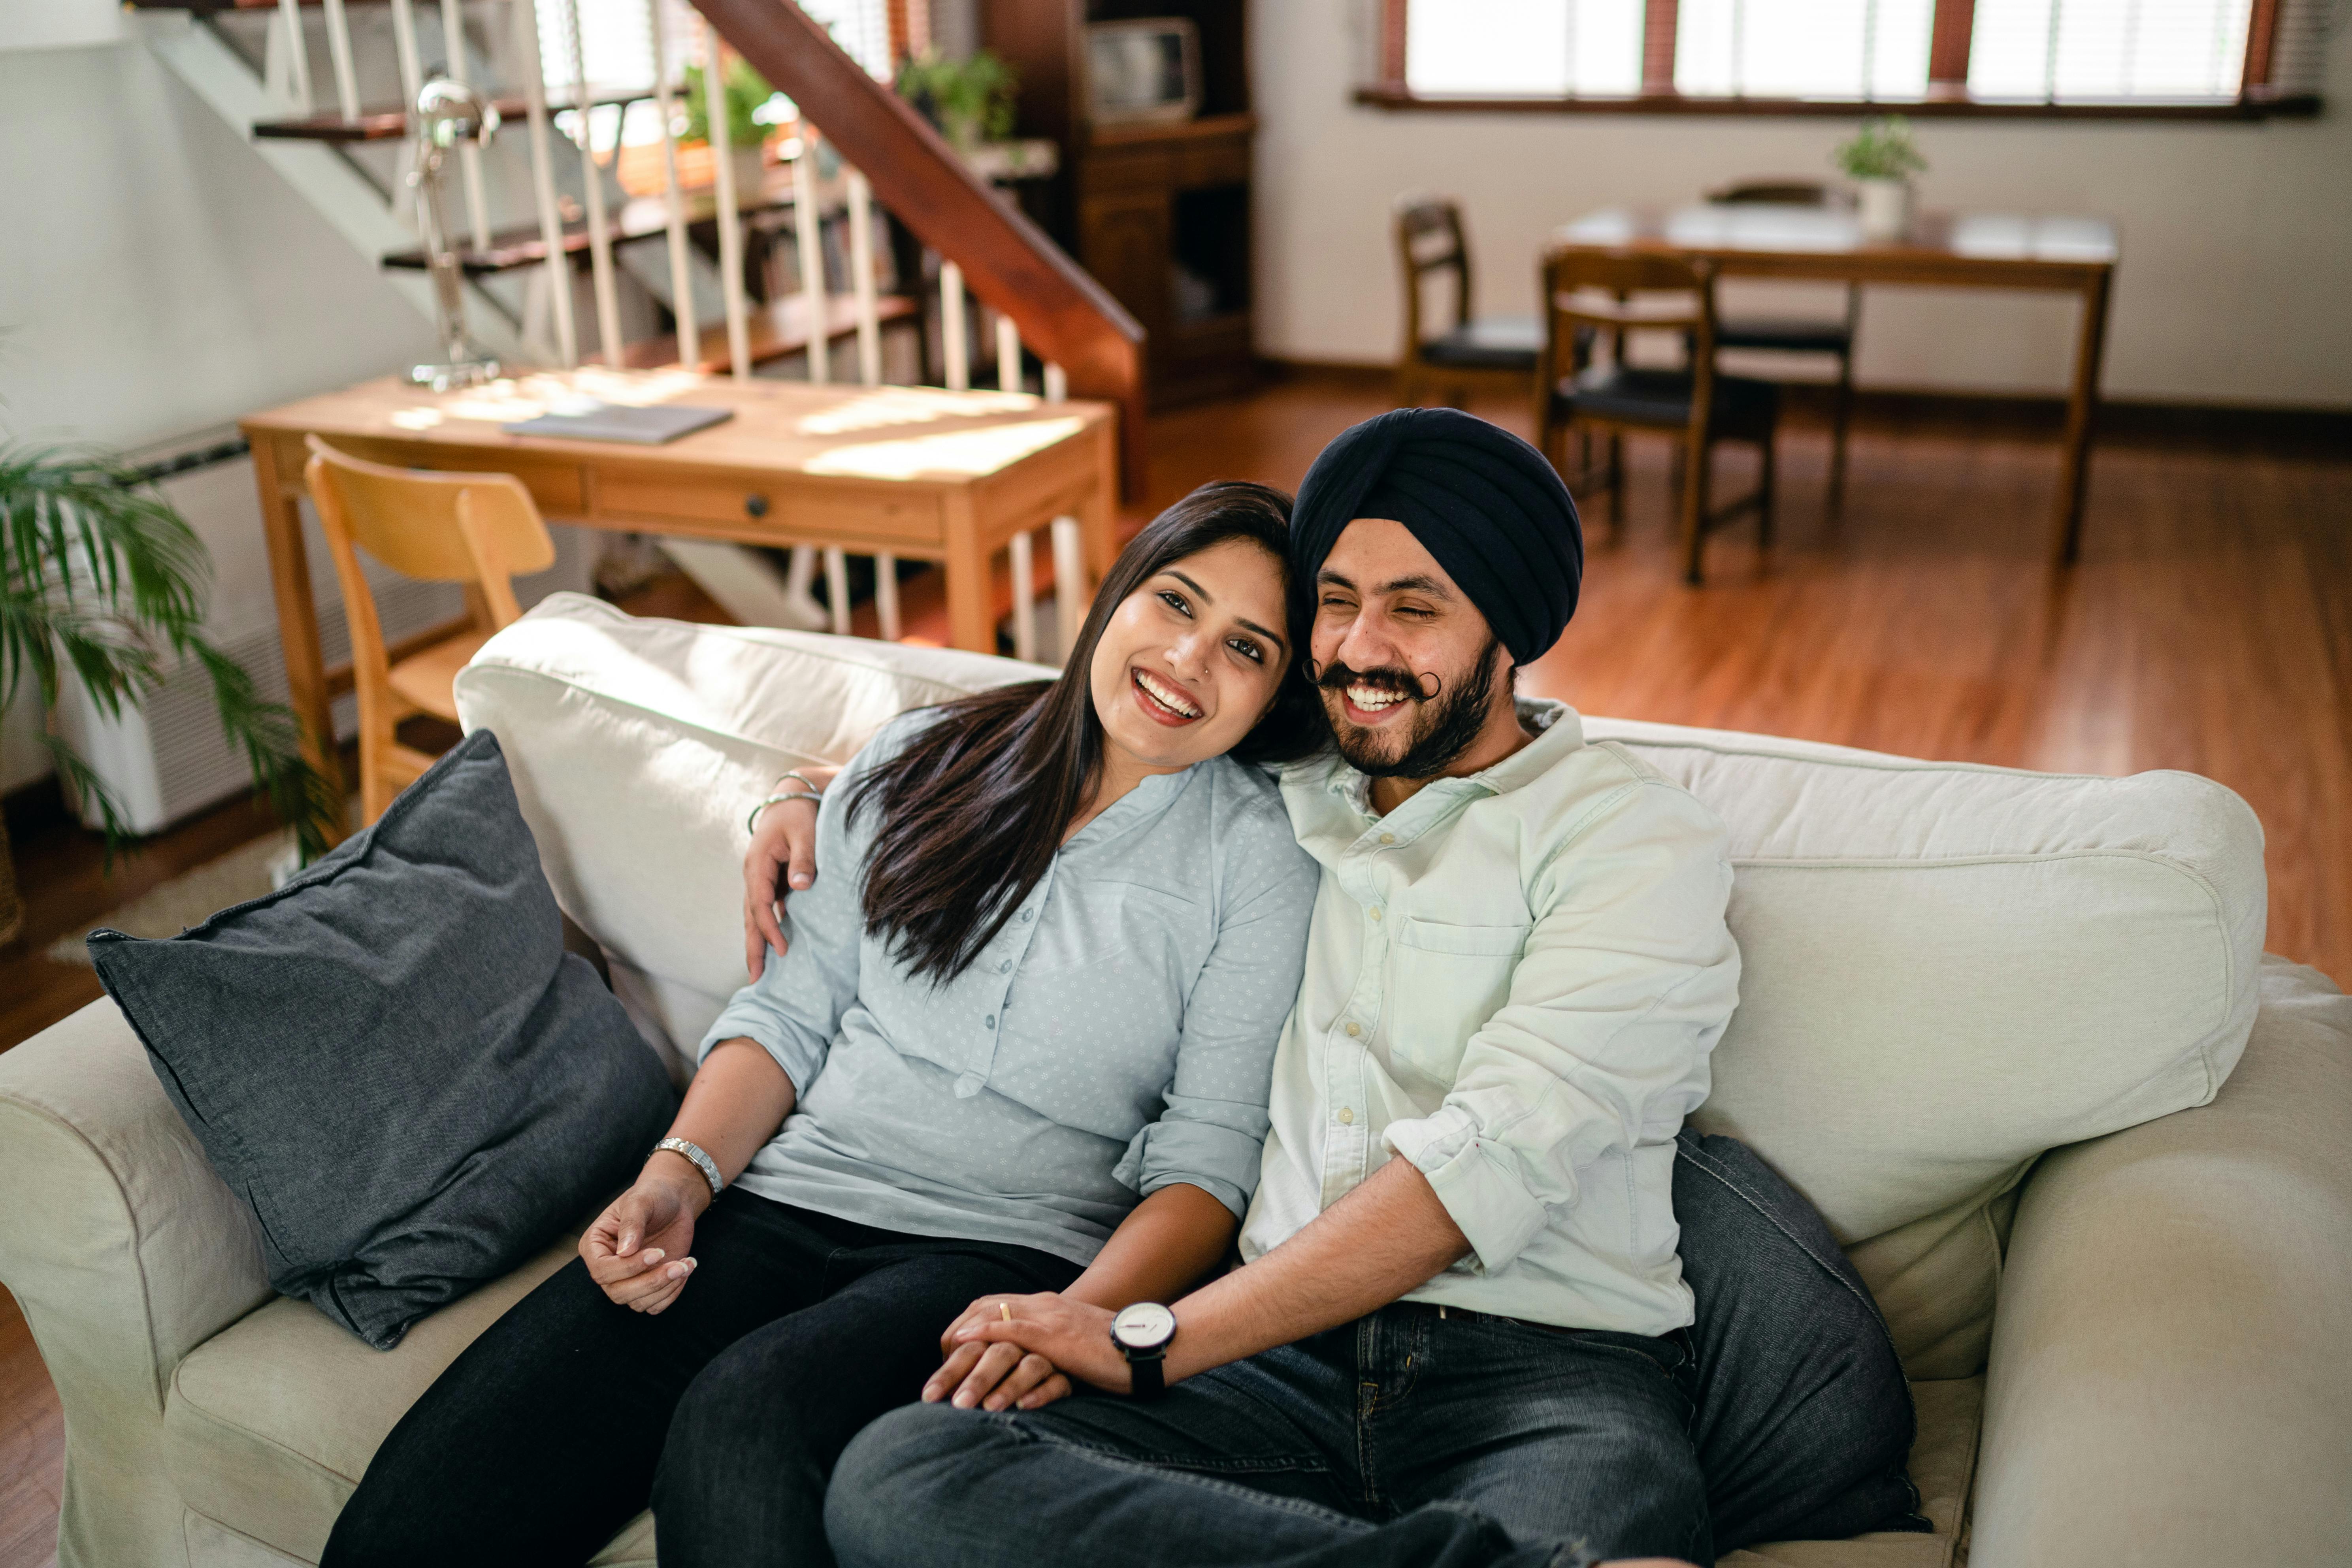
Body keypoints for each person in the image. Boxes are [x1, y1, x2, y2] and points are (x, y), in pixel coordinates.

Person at [753, 409, 1744, 1568]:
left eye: (1415, 608)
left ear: (1509, 631)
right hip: (1266, 1378)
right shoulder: (1288, 782)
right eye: (1335, 599)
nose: (1358, 649)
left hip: (1545, 1381)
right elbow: (1078, 726)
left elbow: (1481, 1168)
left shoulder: (1636, 843)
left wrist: (1141, 1338)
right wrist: (803, 790)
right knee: (901, 1477)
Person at [320, 482, 1328, 1568]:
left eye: (1248, 648)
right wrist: (676, 1180)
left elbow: (1209, 1160)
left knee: (741, 1424)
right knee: (417, 1509)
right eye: (1176, 602)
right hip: (780, 1202)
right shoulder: (920, 760)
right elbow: (788, 1016)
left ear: (1273, 699)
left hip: (995, 1256)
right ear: (1120, 588)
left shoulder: (1259, 862)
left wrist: (1072, 1322)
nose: (1189, 659)